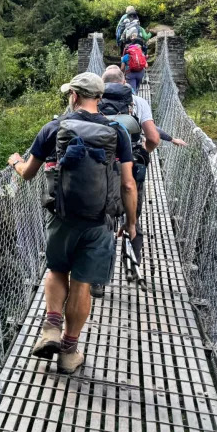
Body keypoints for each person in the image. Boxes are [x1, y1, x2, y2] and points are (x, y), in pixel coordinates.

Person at [8, 72, 137, 374]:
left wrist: (15, 161)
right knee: (81, 284)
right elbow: (129, 185)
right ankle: (69, 353)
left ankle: (51, 326)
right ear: (100, 98)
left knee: (56, 270)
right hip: (100, 221)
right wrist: (131, 223)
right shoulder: (118, 132)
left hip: (62, 216)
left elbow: (27, 173)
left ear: (74, 96)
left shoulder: (54, 128)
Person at [95, 65, 160, 296]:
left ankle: (99, 281)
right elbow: (153, 138)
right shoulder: (137, 102)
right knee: (131, 219)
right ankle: (133, 265)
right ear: (124, 82)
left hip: (99, 171)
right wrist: (142, 151)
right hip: (130, 169)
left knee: (103, 222)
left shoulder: (95, 99)